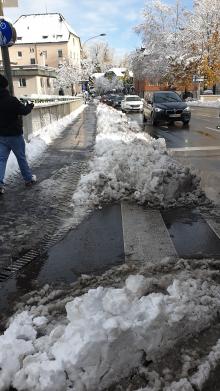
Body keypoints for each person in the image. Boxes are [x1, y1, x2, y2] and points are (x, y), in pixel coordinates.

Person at [0, 74, 36, 194]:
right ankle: (28, 179)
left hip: (2, 136)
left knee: (1, 160)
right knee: (21, 158)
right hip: (15, 135)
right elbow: (24, 111)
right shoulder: (12, 100)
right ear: (5, 87)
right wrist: (30, 106)